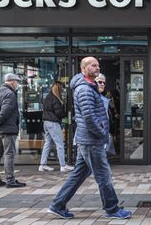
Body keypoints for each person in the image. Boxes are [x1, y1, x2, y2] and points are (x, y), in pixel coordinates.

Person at [47, 57, 132, 220]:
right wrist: (102, 134)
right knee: (103, 175)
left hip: (87, 139)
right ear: (84, 69)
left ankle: (57, 205)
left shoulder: (89, 86)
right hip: (91, 140)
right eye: (93, 65)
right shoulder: (85, 89)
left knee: (79, 173)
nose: (97, 67)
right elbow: (89, 118)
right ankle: (112, 209)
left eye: (98, 65)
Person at [0, 73, 26, 188]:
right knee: (9, 154)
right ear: (12, 82)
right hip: (7, 130)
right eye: (17, 82)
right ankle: (10, 180)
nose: (17, 84)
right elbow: (5, 112)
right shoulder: (10, 94)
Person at [39, 81, 74, 172]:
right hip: (53, 123)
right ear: (59, 88)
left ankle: (42, 165)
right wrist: (66, 113)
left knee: (48, 143)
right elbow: (58, 113)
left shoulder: (48, 97)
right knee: (60, 144)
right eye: (61, 88)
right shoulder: (55, 99)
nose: (62, 90)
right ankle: (63, 165)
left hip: (46, 123)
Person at [95, 73, 116, 158]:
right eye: (100, 82)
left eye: (104, 83)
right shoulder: (90, 96)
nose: (102, 84)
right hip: (94, 136)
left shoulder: (103, 99)